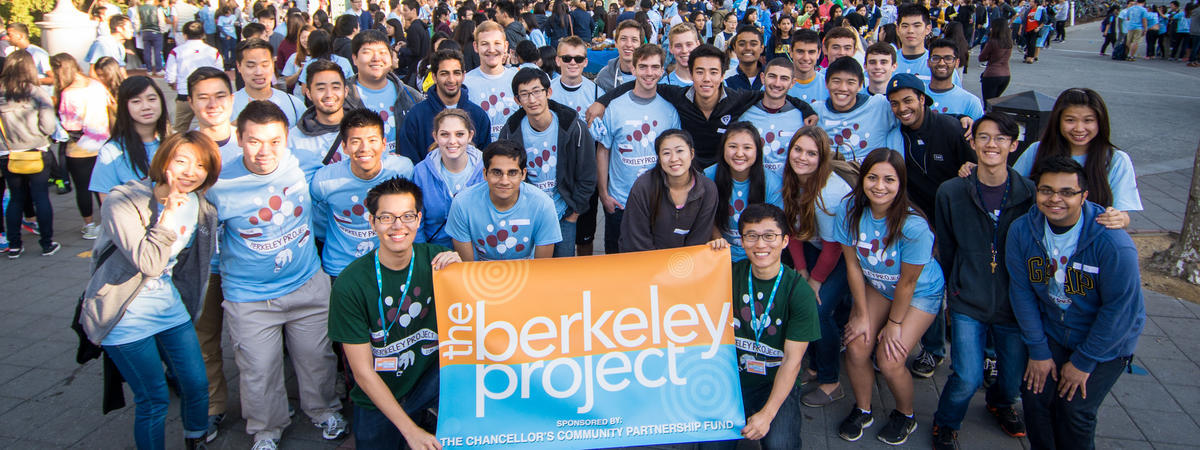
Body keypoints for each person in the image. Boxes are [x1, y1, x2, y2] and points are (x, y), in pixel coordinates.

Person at [205, 101, 347, 449]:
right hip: (250, 296)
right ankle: (266, 430)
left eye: (274, 141)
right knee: (259, 369)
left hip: (307, 284)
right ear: (239, 138)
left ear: (287, 139)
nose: (264, 151)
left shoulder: (305, 166)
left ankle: (323, 410)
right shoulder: (218, 183)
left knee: (317, 359)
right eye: (254, 141)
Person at [80, 131, 221, 449]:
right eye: (181, 161)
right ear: (163, 160)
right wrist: (169, 212)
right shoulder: (124, 200)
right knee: (154, 399)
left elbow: (188, 265)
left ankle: (195, 438)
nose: (190, 171)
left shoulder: (202, 207)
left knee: (197, 385)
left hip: (168, 307)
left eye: (200, 165)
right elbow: (150, 262)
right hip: (122, 314)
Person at [1005, 156, 1145, 450]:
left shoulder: (1113, 244)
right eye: (1046, 190)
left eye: (1067, 192)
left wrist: (1083, 362)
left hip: (1106, 342)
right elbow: (1022, 292)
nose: (1055, 199)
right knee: (1035, 397)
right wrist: (1039, 351)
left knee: (1074, 410)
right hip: (1054, 330)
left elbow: (1120, 310)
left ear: (1084, 196)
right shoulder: (1021, 231)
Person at [327, 176, 459, 450]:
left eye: (407, 216)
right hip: (378, 392)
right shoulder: (350, 283)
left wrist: (463, 271)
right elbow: (362, 372)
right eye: (386, 217)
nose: (398, 226)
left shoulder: (439, 262)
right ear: (372, 221)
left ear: (419, 219)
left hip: (428, 382)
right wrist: (410, 431)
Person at [930, 113, 1033, 449]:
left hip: (1014, 302)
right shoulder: (952, 191)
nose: (992, 145)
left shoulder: (1028, 194)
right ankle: (946, 422)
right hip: (967, 298)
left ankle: (1001, 404)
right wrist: (951, 289)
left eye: (1001, 138)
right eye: (984, 137)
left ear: (1014, 146)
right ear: (972, 143)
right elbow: (946, 245)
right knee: (967, 375)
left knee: (1013, 376)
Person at [832, 148, 944, 445]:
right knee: (856, 345)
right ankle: (863, 408)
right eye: (872, 178)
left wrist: (893, 324)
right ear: (862, 180)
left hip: (919, 292)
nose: (879, 186)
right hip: (879, 286)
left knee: (890, 358)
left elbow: (907, 283)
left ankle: (905, 415)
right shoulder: (850, 211)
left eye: (889, 180)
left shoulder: (914, 226)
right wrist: (860, 312)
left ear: (900, 184)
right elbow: (853, 266)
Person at [703, 203, 818, 449]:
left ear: (785, 240)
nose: (760, 244)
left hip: (775, 383)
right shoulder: (726, 274)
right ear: (741, 241)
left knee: (780, 445)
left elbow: (792, 361)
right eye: (751, 236)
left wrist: (767, 414)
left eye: (769, 236)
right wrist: (708, 256)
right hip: (732, 380)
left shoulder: (799, 292)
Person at [779, 126, 855, 408]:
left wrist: (815, 281)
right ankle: (814, 364)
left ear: (822, 159)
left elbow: (835, 249)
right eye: (798, 150)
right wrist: (801, 271)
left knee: (818, 310)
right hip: (815, 246)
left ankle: (831, 380)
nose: (802, 157)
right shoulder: (794, 180)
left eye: (812, 153)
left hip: (844, 255)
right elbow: (796, 231)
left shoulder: (829, 194)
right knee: (806, 302)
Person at [498, 68, 597, 258]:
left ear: (548, 92)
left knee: (563, 271)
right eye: (525, 95)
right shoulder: (510, 131)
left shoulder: (573, 127)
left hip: (563, 214)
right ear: (517, 100)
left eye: (537, 92)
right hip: (528, 214)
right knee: (531, 268)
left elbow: (587, 174)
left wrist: (574, 213)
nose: (532, 100)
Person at [595, 44, 682, 254]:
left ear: (662, 71)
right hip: (620, 203)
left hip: (658, 202)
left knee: (652, 264)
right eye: (643, 67)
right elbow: (603, 150)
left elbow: (677, 158)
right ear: (633, 69)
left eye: (655, 67)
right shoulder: (614, 107)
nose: (649, 73)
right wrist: (604, 194)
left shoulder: (669, 110)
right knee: (617, 263)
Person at [1012, 88, 1141, 230]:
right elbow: (1012, 191)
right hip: (1039, 236)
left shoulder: (1116, 160)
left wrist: (1117, 218)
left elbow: (1123, 215)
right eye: (1070, 120)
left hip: (1088, 240)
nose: (1079, 128)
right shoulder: (1037, 151)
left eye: (1088, 120)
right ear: (1058, 121)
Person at [311, 109, 415, 279]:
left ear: (383, 144)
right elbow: (318, 220)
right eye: (356, 141)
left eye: (372, 140)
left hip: (387, 264)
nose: (364, 148)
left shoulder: (402, 169)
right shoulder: (324, 181)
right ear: (344, 146)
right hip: (341, 268)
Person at [446, 140, 562, 260]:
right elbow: (467, 266)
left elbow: (542, 266)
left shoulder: (542, 205)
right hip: (479, 273)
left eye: (512, 173)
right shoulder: (462, 204)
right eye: (497, 172)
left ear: (523, 174)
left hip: (529, 272)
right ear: (485, 173)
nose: (504, 181)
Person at [0, 51, 59, 258]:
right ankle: (47, 243)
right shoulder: (36, 93)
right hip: (36, 150)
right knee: (40, 196)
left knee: (15, 198)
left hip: (7, 153)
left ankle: (14, 245)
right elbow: (49, 125)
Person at [619, 129, 718, 251]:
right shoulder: (643, 186)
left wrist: (681, 265)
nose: (673, 158)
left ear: (692, 153)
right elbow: (636, 237)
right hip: (647, 262)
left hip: (687, 263)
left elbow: (700, 238)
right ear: (659, 159)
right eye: (666, 153)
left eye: (680, 151)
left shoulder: (708, 189)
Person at [50, 53, 110, 241]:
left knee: (83, 188)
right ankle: (108, 221)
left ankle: (90, 225)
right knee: (104, 186)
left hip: (79, 147)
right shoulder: (96, 85)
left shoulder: (68, 93)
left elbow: (69, 125)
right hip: (103, 143)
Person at [400, 49, 491, 164]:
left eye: (456, 73)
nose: (451, 80)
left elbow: (485, 161)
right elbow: (409, 161)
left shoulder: (478, 115)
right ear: (434, 76)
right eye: (444, 73)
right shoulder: (416, 116)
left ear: (463, 76)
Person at [705, 122, 780, 262]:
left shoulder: (772, 182)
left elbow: (774, 228)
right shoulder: (709, 176)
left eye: (747, 148)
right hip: (720, 252)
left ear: (757, 151)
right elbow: (707, 217)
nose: (739, 153)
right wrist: (718, 240)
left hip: (758, 254)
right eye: (732, 146)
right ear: (723, 149)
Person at [343, 30, 425, 157]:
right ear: (354, 59)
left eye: (382, 52)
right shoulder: (341, 97)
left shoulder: (411, 97)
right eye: (367, 52)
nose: (376, 58)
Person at [412, 109, 487, 247]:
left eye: (459, 134)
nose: (452, 141)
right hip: (436, 253)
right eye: (445, 134)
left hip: (477, 253)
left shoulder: (486, 169)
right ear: (435, 136)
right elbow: (416, 222)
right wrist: (425, 255)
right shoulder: (421, 172)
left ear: (470, 136)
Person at [89, 76, 168, 200]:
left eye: (152, 99)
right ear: (125, 107)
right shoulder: (111, 152)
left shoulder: (176, 143)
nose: (146, 106)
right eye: (136, 101)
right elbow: (107, 204)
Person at [810, 57, 901, 164]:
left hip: (869, 177)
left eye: (850, 82)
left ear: (860, 85)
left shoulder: (880, 106)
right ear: (826, 83)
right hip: (830, 177)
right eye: (836, 81)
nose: (843, 88)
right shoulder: (815, 110)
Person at [739, 58, 808, 189]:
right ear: (763, 78)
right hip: (751, 188)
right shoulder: (743, 113)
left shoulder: (802, 118)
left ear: (792, 83)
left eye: (784, 78)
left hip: (788, 190)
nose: (777, 83)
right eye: (772, 76)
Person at [463, 21, 521, 143]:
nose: (491, 49)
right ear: (475, 47)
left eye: (497, 43)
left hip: (514, 154)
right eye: (485, 44)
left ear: (505, 46)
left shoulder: (518, 79)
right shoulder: (465, 83)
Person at [232, 39, 306, 130]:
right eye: (251, 66)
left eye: (265, 65)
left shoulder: (294, 105)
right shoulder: (226, 107)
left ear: (272, 64)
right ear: (239, 66)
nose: (259, 72)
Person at [165, 20, 223, 134]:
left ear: (184, 35)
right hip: (208, 96)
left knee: (179, 129)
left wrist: (173, 84)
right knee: (211, 127)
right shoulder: (213, 52)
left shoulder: (176, 52)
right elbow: (220, 73)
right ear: (203, 34)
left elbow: (170, 75)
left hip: (185, 94)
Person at [186, 67, 241, 161]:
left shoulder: (251, 144)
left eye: (220, 96)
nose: (213, 105)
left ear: (232, 99)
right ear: (191, 102)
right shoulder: (184, 148)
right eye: (203, 98)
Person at [926, 39, 984, 119]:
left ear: (957, 63)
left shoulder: (971, 102)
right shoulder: (917, 95)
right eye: (936, 58)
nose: (941, 63)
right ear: (928, 62)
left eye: (948, 58)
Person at [597, 20, 644, 91]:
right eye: (623, 39)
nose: (628, 44)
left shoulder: (653, 75)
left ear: (641, 45)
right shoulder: (604, 76)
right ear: (616, 43)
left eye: (634, 40)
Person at [787, 29, 828, 105]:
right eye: (800, 51)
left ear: (818, 53)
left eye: (811, 52)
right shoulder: (776, 85)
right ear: (791, 52)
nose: (806, 58)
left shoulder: (829, 86)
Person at [979, 19, 1013, 105]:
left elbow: (981, 58)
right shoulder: (1009, 42)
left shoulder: (992, 42)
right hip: (1006, 74)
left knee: (988, 103)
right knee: (995, 102)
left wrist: (990, 56)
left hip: (992, 73)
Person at [396, 0, 432, 80]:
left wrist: (400, 49)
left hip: (415, 69)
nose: (403, 13)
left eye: (405, 10)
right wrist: (406, 44)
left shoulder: (414, 28)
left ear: (414, 10)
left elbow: (415, 51)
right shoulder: (421, 26)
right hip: (422, 66)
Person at [725, 25, 765, 91]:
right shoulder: (725, 79)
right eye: (742, 44)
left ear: (761, 48)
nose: (747, 48)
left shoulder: (772, 78)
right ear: (734, 48)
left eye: (753, 44)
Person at [136, 0, 169, 75]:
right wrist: (162, 30)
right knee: (158, 51)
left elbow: (137, 21)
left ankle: (149, 69)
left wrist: (137, 30)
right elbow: (161, 21)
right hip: (156, 31)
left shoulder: (139, 9)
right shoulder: (157, 9)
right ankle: (158, 69)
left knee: (147, 51)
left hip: (145, 31)